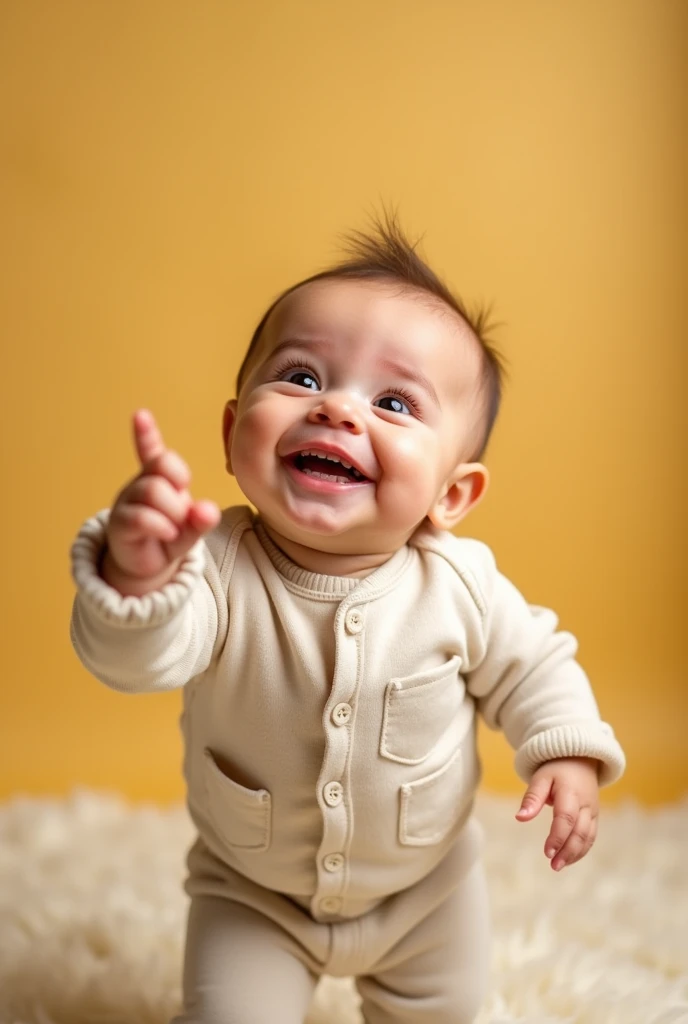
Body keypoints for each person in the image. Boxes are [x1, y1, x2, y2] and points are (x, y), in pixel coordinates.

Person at [70, 215, 626, 1024]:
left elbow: (535, 665)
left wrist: (568, 752)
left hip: (427, 897)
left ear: (452, 494)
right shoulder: (216, 566)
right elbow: (137, 659)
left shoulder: (458, 584)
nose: (336, 409)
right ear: (232, 436)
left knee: (445, 1014)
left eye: (394, 401)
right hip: (252, 895)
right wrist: (137, 574)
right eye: (300, 377)